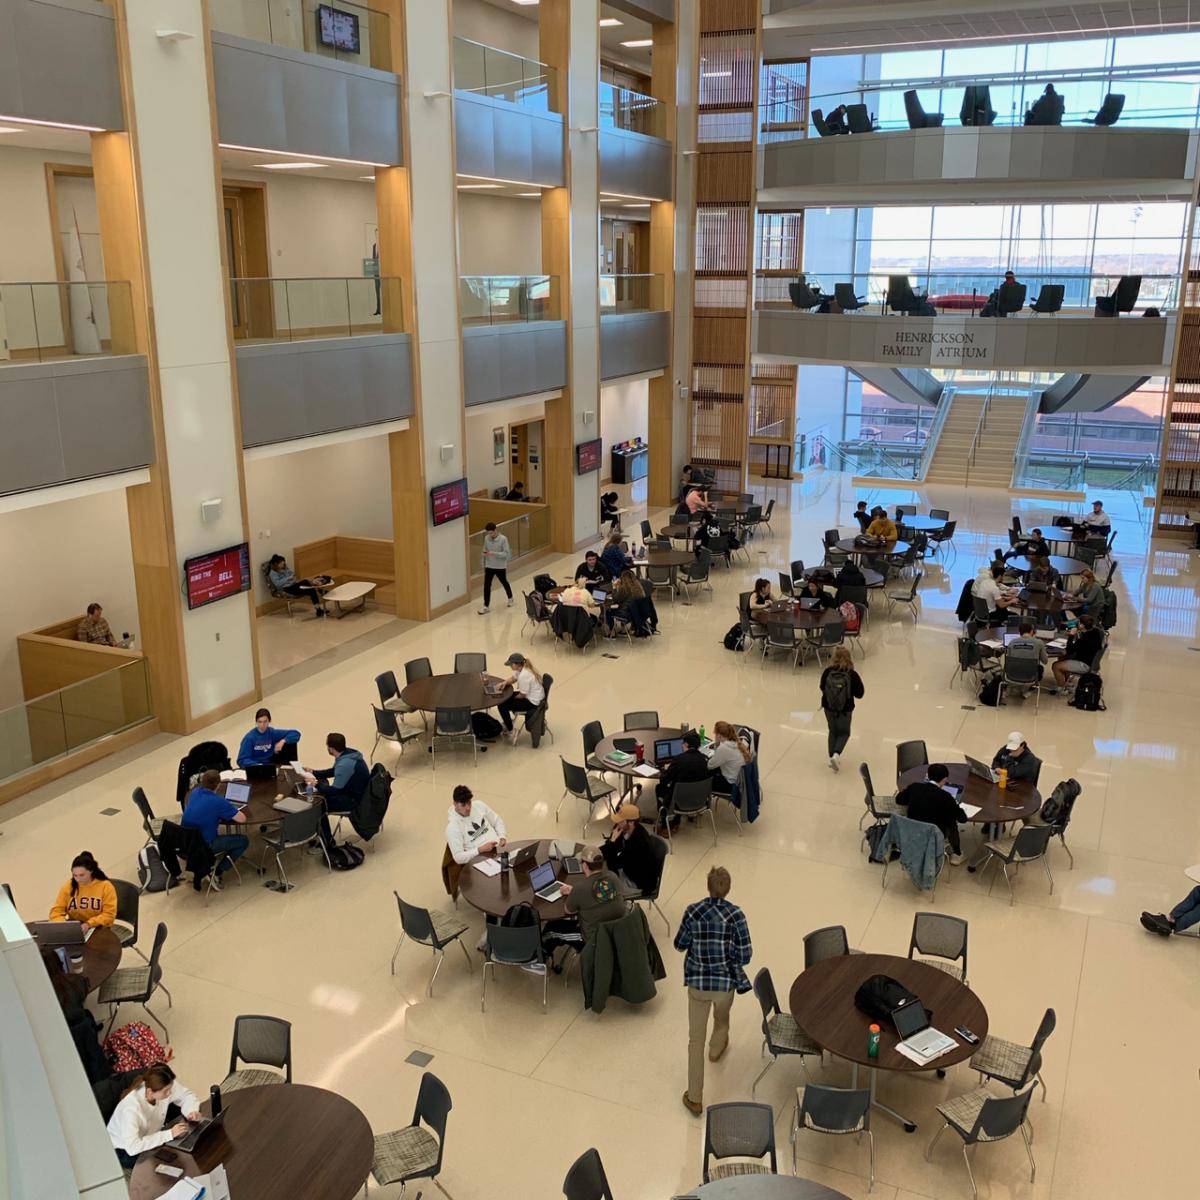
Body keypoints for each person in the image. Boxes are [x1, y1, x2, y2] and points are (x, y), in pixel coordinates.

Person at [674, 866, 753, 1116]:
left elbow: (679, 944)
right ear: (728, 889)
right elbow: (746, 955)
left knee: (694, 1040)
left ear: (708, 886)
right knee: (722, 1016)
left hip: (697, 984)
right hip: (724, 986)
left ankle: (695, 1097)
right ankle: (717, 1046)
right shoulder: (736, 915)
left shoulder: (693, 911)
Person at [106, 1063, 201, 1170]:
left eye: (170, 1088)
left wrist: (191, 1111)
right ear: (150, 1092)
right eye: (166, 1091)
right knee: (165, 1164)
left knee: (185, 1144)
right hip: (125, 1149)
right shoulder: (131, 1110)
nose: (170, 1093)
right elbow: (133, 1148)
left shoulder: (162, 1084)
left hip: (152, 1132)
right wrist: (170, 1134)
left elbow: (186, 1095)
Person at [180, 769, 248, 887]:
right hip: (205, 845)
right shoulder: (219, 801)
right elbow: (242, 819)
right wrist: (229, 807)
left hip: (185, 842)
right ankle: (218, 871)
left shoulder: (195, 792)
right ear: (218, 785)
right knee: (243, 840)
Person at [301, 734, 369, 846]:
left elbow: (334, 791)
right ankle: (319, 834)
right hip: (355, 792)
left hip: (353, 801)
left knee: (319, 806)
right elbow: (334, 771)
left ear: (331, 748)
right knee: (321, 793)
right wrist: (314, 772)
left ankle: (327, 842)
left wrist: (315, 784)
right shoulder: (348, 754)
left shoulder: (344, 764)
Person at [896, 762, 968, 863]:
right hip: (934, 835)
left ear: (927, 776)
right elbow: (963, 819)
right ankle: (957, 854)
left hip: (912, 830)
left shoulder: (914, 787)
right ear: (944, 780)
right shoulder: (946, 797)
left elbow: (899, 800)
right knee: (951, 820)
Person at [560, 850, 628, 941]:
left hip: (594, 940)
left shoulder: (580, 888)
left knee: (550, 930)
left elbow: (568, 911)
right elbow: (601, 892)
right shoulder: (613, 876)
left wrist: (575, 892)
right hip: (618, 931)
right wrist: (575, 891)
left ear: (585, 865)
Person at [819, 646, 864, 771]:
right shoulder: (852, 674)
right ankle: (836, 755)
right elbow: (860, 693)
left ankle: (831, 756)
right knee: (844, 733)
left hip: (828, 707)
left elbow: (822, 687)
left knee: (833, 731)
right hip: (845, 709)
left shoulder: (828, 672)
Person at [600, 803, 659, 894]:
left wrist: (611, 842)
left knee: (601, 888)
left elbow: (613, 865)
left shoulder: (639, 844)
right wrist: (596, 853)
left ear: (631, 822)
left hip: (638, 882)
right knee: (595, 862)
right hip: (627, 868)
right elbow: (610, 851)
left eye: (620, 821)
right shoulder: (624, 829)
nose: (617, 823)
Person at [49, 851, 116, 927]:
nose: (78, 879)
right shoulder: (68, 886)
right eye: (75, 875)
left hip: (98, 928)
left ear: (91, 871)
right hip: (75, 928)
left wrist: (89, 924)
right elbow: (56, 912)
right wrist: (63, 925)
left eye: (82, 875)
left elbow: (109, 916)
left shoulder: (106, 886)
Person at [445, 785, 507, 864]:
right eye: (463, 805)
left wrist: (502, 836)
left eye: (469, 803)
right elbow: (458, 857)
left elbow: (497, 820)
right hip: (479, 860)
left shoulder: (479, 805)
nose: (468, 808)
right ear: (455, 804)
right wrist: (480, 849)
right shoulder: (452, 827)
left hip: (498, 850)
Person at [656, 730, 711, 819]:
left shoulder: (678, 760)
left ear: (686, 745)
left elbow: (664, 780)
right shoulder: (705, 759)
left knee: (659, 787)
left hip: (678, 801)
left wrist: (665, 770)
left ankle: (664, 820)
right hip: (700, 799)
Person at [1050, 612, 1104, 690]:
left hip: (1084, 664)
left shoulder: (1085, 639)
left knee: (1056, 666)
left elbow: (1069, 650)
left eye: (1078, 623)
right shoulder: (1096, 632)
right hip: (1090, 660)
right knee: (1062, 658)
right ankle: (1065, 682)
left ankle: (1061, 688)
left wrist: (1071, 636)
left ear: (1082, 625)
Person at [496, 652, 544, 735]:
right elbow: (513, 678)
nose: (510, 666)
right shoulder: (522, 668)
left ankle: (510, 729)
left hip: (532, 701)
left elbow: (522, 695)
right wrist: (504, 683)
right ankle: (508, 722)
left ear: (517, 664)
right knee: (505, 698)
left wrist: (510, 699)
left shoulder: (524, 675)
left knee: (502, 705)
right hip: (530, 694)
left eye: (511, 664)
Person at [477, 521, 513, 614]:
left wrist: (494, 553)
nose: (490, 535)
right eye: (488, 533)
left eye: (491, 533)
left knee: (504, 582)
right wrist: (484, 557)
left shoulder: (503, 539)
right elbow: (485, 549)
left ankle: (510, 598)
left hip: (500, 566)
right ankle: (486, 606)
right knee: (487, 585)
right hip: (489, 566)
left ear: (495, 530)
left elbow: (506, 554)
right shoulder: (486, 538)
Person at [707, 721, 751, 797]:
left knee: (705, 777)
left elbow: (709, 766)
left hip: (730, 784)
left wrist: (717, 744)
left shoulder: (724, 748)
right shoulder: (737, 742)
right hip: (739, 781)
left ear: (719, 735)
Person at [605, 569, 645, 634]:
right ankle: (624, 630)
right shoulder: (639, 586)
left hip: (627, 614)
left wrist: (615, 587)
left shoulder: (624, 588)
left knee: (608, 611)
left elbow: (615, 599)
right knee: (623, 605)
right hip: (637, 613)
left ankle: (611, 632)